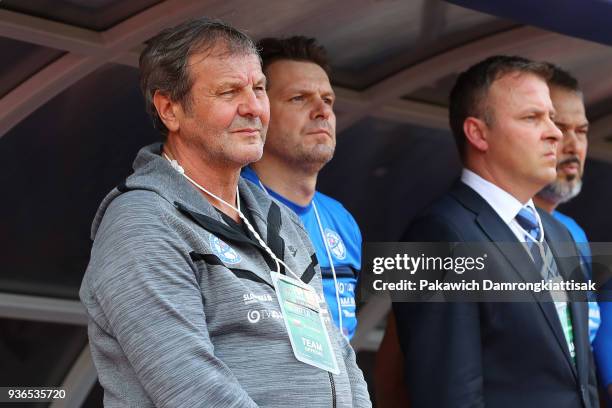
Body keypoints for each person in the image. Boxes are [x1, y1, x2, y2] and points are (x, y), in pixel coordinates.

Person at [79, 18, 371, 407]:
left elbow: (341, 357)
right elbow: (192, 387)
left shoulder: (279, 221)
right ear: (170, 109)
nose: (252, 108)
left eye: (259, 89)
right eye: (229, 91)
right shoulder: (143, 220)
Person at [392, 56, 599, 407]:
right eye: (532, 117)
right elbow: (447, 394)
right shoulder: (436, 234)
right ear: (477, 133)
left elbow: (579, 382)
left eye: (550, 116)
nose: (555, 132)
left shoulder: (558, 234)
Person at [241, 36, 362, 339]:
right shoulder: (228, 206)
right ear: (260, 113)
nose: (322, 111)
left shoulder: (341, 220)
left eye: (328, 100)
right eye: (299, 98)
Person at [534, 63, 612, 404]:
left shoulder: (574, 233)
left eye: (581, 131)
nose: (571, 143)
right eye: (557, 127)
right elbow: (400, 364)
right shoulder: (452, 222)